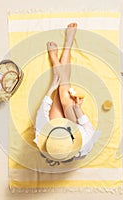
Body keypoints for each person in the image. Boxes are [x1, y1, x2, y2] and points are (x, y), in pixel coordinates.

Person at [33, 23, 100, 162]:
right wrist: (77, 109)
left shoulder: (42, 132)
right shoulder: (85, 142)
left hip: (59, 125)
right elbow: (86, 125)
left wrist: (51, 87)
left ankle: (56, 59)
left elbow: (42, 111)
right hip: (73, 125)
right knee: (64, 93)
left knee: (60, 93)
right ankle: (66, 46)